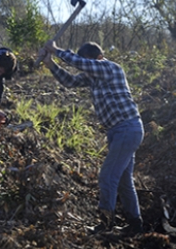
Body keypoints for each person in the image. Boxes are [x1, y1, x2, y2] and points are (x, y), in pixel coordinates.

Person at [38, 40, 144, 234]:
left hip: (127, 128)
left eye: (89, 63)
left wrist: (56, 50)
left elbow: (82, 64)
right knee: (122, 180)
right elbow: (69, 81)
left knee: (107, 176)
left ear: (99, 58)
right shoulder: (93, 77)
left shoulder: (110, 68)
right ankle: (135, 224)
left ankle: (105, 224)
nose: (87, 69)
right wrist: (50, 64)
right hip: (118, 131)